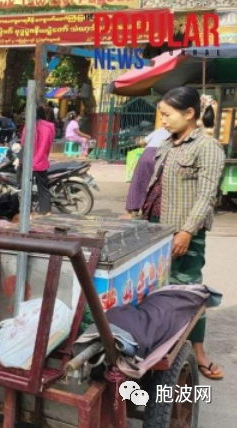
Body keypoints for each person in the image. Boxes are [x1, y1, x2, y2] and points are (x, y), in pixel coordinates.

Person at [141, 86, 226, 380]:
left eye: (167, 114)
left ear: (189, 113)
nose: (163, 120)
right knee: (154, 289)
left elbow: (206, 196)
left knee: (188, 292)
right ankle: (160, 345)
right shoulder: (166, 144)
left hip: (184, 233)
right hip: (155, 230)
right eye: (161, 114)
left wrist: (187, 231)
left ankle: (198, 353)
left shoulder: (208, 148)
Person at [125, 126, 171, 215]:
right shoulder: (179, 133)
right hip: (162, 155)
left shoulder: (159, 130)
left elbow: (143, 142)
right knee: (156, 183)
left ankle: (133, 209)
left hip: (147, 154)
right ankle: (150, 210)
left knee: (138, 182)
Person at [33, 106, 56, 215]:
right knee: (43, 187)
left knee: (24, 186)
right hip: (42, 160)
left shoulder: (30, 126)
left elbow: (24, 143)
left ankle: (26, 211)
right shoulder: (50, 126)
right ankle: (46, 211)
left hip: (31, 161)